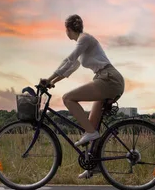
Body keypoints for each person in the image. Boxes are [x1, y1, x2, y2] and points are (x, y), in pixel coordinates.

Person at [40, 14, 125, 179]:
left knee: (68, 98)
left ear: (68, 29)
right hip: (105, 79)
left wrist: (48, 79)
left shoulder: (85, 39)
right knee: (91, 126)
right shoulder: (83, 44)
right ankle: (94, 165)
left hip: (109, 79)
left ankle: (91, 138)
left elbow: (68, 59)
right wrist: (53, 82)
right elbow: (69, 68)